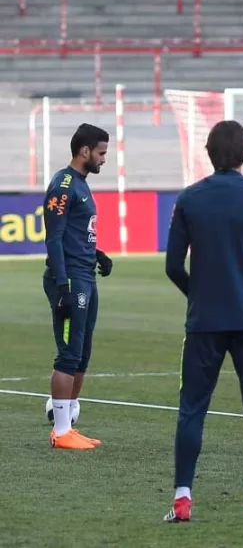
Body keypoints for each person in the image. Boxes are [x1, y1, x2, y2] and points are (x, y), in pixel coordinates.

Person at [164, 120, 243, 522]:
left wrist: (197, 295)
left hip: (204, 321)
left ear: (208, 152)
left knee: (192, 409)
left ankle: (182, 500)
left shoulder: (189, 199)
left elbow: (172, 265)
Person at [42, 123, 113, 451]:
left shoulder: (81, 185)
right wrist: (62, 285)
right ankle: (60, 431)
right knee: (69, 353)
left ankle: (67, 424)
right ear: (84, 151)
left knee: (82, 353)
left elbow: (74, 232)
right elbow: (54, 237)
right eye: (101, 153)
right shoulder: (64, 184)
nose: (103, 159)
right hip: (70, 279)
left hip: (86, 275)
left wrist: (97, 253)